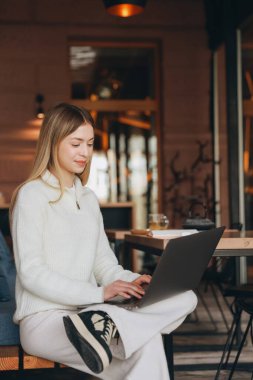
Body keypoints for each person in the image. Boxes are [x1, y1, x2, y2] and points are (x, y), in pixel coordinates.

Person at [10, 103, 197, 380]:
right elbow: (32, 274)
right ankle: (104, 322)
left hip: (91, 313)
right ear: (53, 141)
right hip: (46, 320)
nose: (85, 152)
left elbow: (103, 265)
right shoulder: (32, 195)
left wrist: (132, 282)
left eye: (89, 143)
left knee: (184, 297)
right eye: (76, 144)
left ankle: (106, 323)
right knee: (147, 341)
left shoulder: (87, 199)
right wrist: (99, 294)